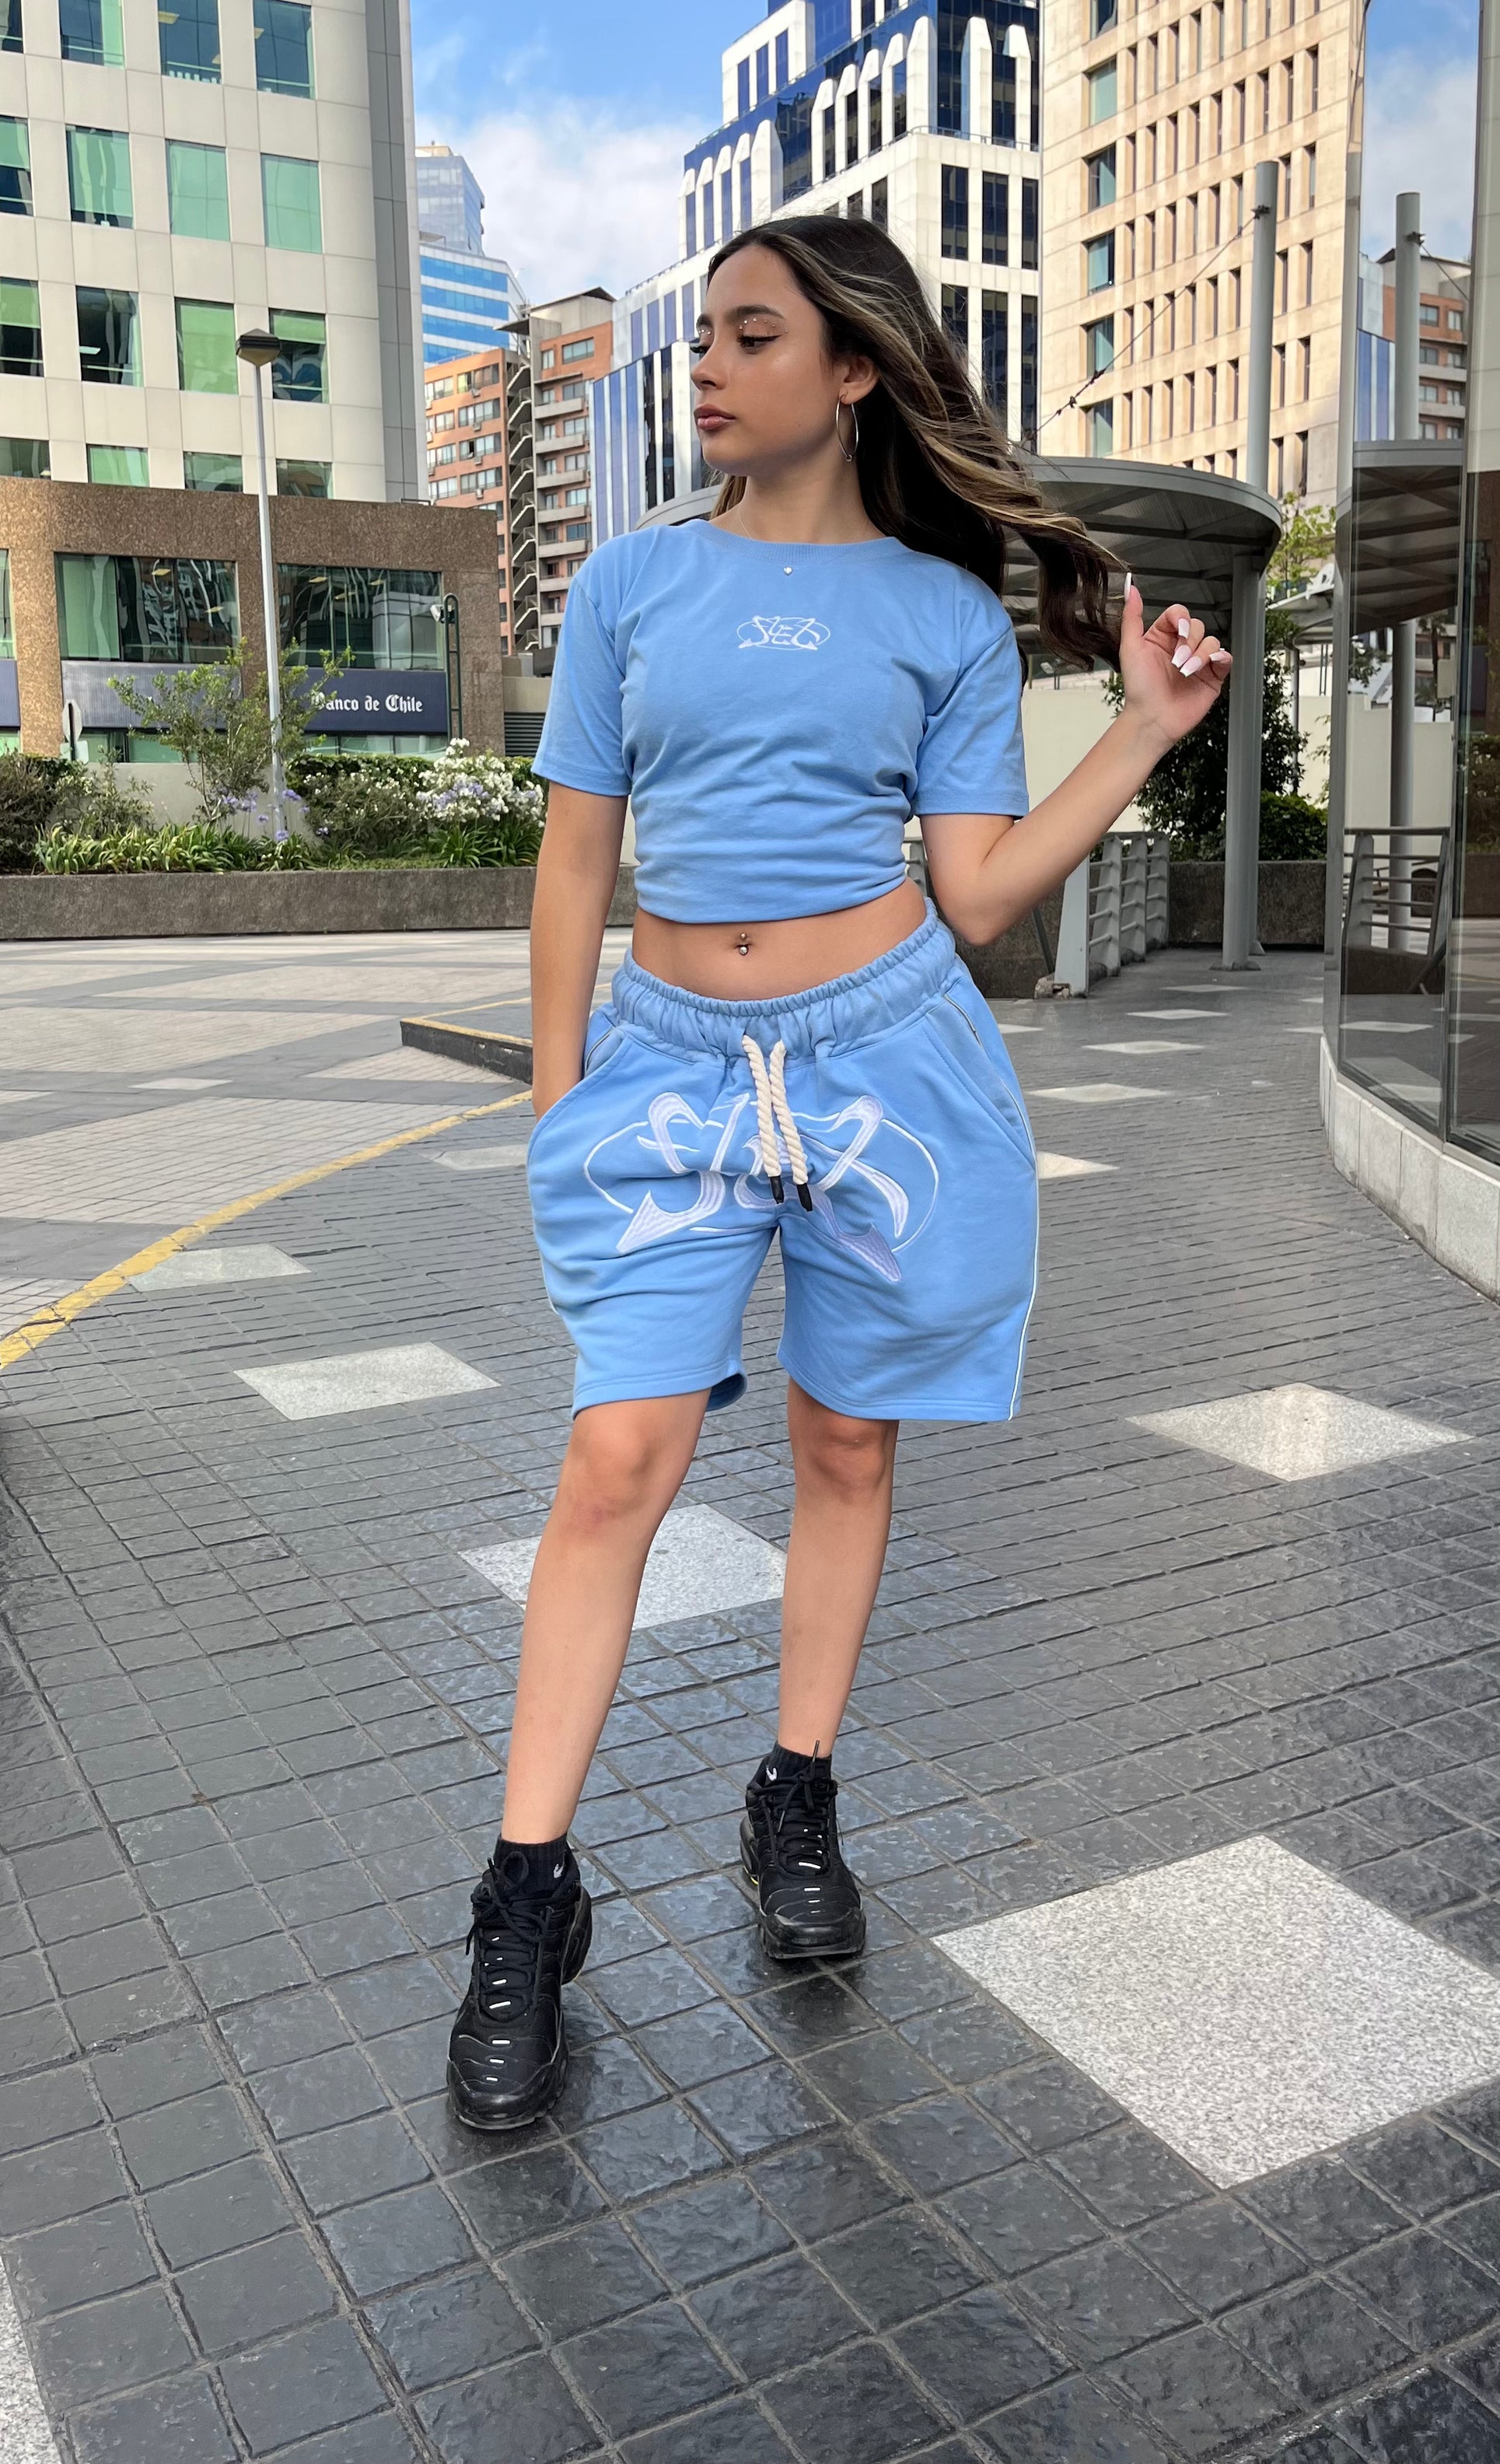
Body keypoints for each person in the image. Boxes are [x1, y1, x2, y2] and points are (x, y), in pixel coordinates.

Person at [446, 215, 1231, 2130]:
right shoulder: (633, 583)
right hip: (669, 1072)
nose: (707, 369)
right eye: (702, 339)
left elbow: (976, 892)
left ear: (854, 367)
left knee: (848, 1444)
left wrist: (1143, 726)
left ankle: (793, 1788)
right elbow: (575, 857)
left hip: (883, 1055)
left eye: (752, 335)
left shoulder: (942, 614)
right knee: (616, 1453)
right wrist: (560, 1090)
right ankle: (527, 1892)